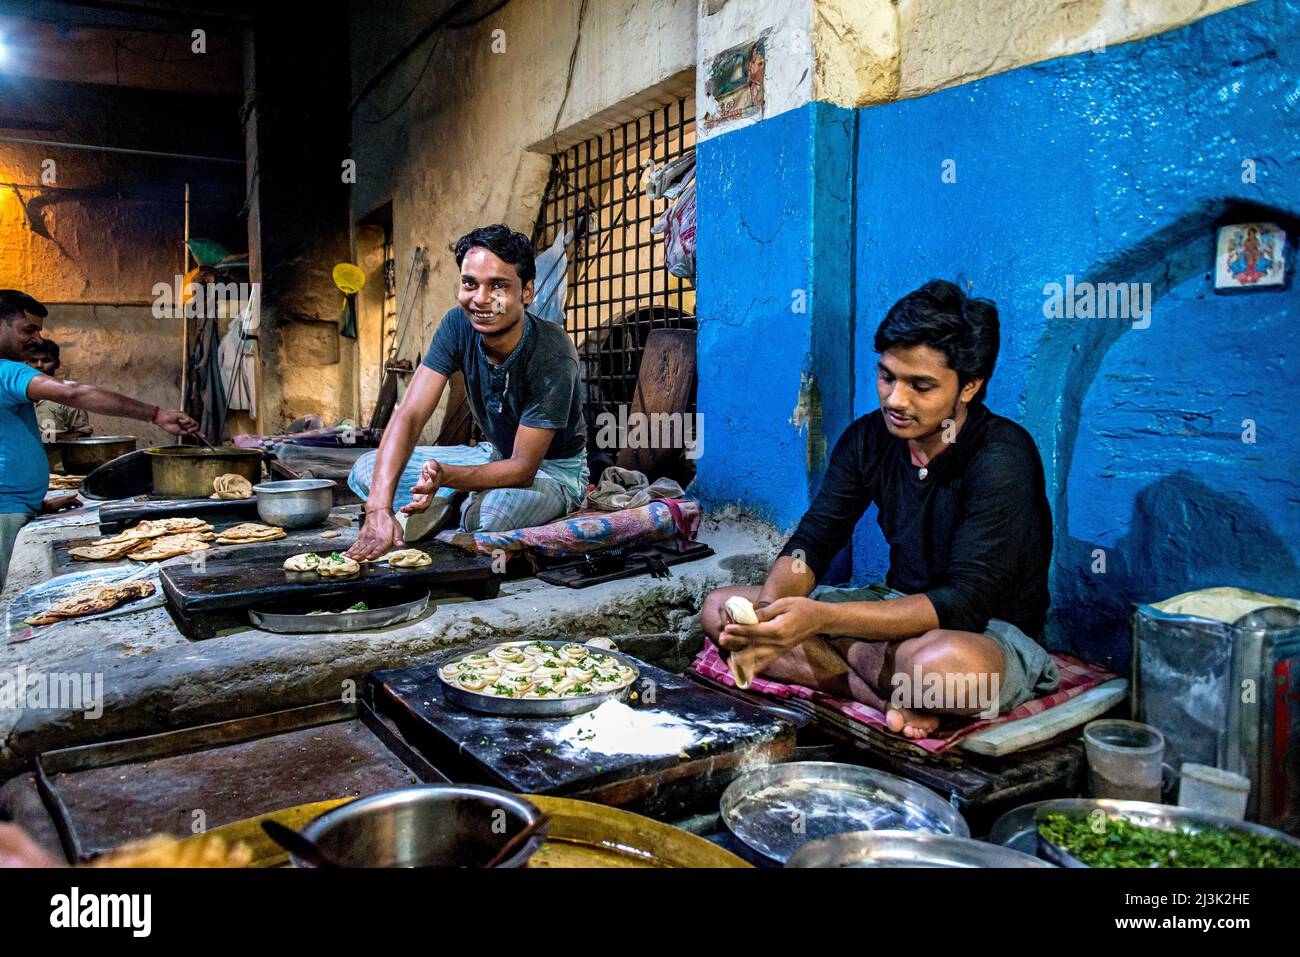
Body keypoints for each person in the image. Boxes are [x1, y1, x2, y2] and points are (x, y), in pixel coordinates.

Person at [701, 280, 1060, 738]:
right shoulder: (867, 439)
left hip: (982, 632)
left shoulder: (1002, 457)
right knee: (721, 610)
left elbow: (963, 604)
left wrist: (825, 621)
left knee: (936, 670)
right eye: (888, 376)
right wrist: (770, 616)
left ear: (969, 386)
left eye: (921, 386)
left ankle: (876, 678)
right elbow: (813, 543)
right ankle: (885, 699)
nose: (895, 399)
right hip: (892, 608)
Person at [346, 225, 587, 560]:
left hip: (553, 472)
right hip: (491, 455)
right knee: (368, 471)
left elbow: (522, 468)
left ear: (526, 292)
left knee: (493, 516)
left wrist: (449, 477)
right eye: (470, 284)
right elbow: (411, 414)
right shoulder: (457, 325)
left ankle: (455, 502)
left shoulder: (552, 353)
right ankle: (453, 502)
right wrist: (377, 510)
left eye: (498, 286)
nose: (481, 299)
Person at [0, 290, 198, 589]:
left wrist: (34, 503)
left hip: (17, 508)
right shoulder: (6, 371)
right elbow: (73, 392)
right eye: (29, 329)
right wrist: (155, 414)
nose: (38, 339)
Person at [24, 338, 92, 440]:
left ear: (57, 364)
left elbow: (83, 432)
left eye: (45, 360)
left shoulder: (68, 397)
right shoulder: (14, 395)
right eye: (33, 361)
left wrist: (58, 438)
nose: (39, 365)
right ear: (26, 364)